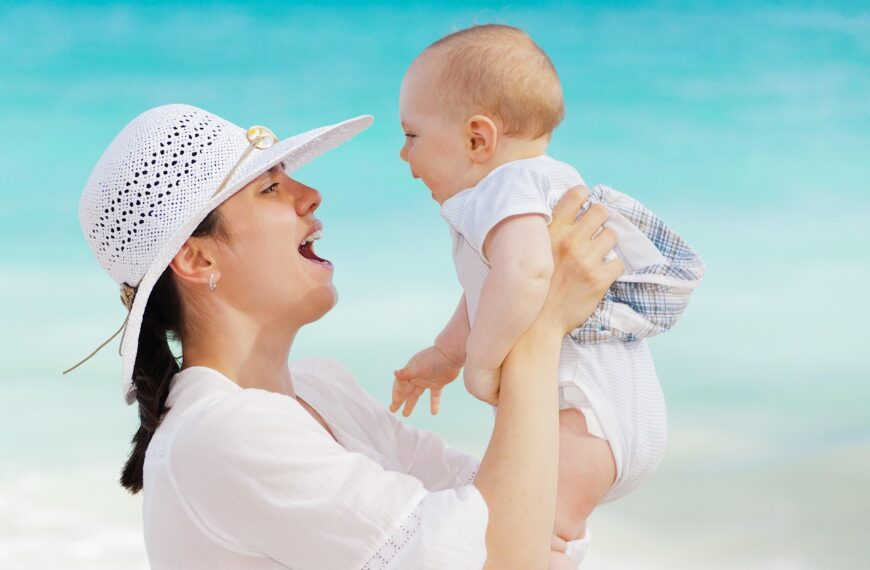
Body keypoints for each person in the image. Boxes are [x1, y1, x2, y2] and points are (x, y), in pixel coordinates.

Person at [65, 103, 622, 569]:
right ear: (197, 256)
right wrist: (540, 321)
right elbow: (503, 555)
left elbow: (526, 518)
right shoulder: (218, 435)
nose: (310, 195)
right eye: (270, 188)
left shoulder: (323, 388)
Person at [390, 24, 705, 567]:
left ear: (477, 139)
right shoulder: (547, 180)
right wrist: (447, 352)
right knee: (538, 535)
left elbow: (527, 273)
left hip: (583, 415)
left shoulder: (502, 187)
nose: (402, 154)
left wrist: (481, 366)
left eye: (412, 135)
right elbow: (490, 290)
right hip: (612, 417)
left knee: (522, 542)